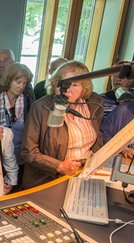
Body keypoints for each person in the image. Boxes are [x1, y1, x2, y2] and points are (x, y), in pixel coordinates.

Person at [21, 61, 104, 189]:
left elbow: (98, 136)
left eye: (75, 85)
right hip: (50, 178)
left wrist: (95, 161)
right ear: (55, 84)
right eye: (63, 84)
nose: (68, 90)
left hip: (85, 173)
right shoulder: (40, 108)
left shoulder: (93, 104)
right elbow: (28, 152)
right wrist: (59, 166)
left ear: (84, 88)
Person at [0, 63, 35, 190]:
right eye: (18, 82)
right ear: (9, 80)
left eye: (24, 83)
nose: (21, 86)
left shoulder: (28, 101)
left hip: (21, 157)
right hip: (0, 156)